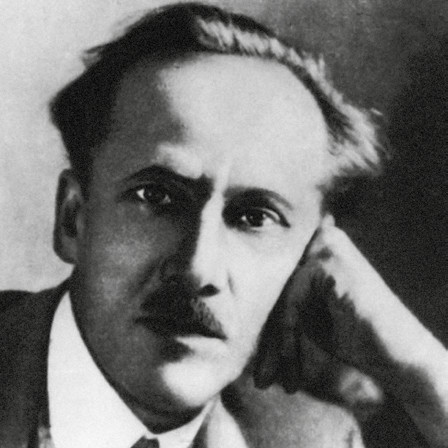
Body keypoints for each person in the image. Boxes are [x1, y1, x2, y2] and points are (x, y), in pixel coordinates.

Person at [0, 3, 447, 447]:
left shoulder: (311, 438)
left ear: (310, 254)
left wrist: (416, 364)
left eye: (255, 218)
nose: (199, 270)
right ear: (73, 219)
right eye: (157, 197)